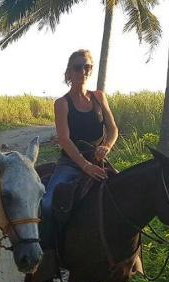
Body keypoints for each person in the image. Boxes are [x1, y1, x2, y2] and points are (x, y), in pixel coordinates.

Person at [40, 49, 119, 252]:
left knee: (125, 199)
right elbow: (65, 140)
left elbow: (112, 130)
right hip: (71, 163)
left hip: (98, 160)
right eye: (78, 67)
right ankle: (48, 254)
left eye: (87, 67)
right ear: (69, 72)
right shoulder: (62, 103)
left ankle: (128, 259)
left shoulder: (99, 98)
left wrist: (106, 146)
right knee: (48, 205)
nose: (83, 71)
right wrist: (85, 166)